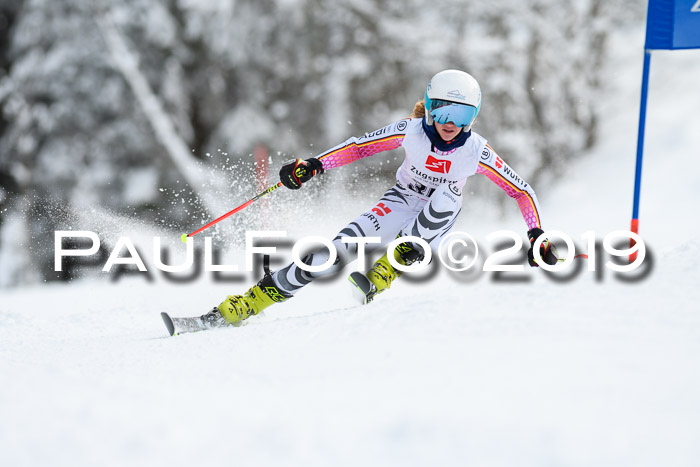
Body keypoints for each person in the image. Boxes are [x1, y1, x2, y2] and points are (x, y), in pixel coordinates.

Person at [201, 69, 558, 327]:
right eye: (444, 111)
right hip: (400, 201)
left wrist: (536, 234)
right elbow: (358, 148)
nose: (451, 123)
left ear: (473, 117)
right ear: (430, 108)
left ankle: (390, 266)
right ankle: (249, 303)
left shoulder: (476, 152)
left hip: (437, 217)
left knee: (448, 193)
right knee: (333, 252)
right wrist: (314, 166)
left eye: (463, 115)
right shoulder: (411, 131)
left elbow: (521, 190)